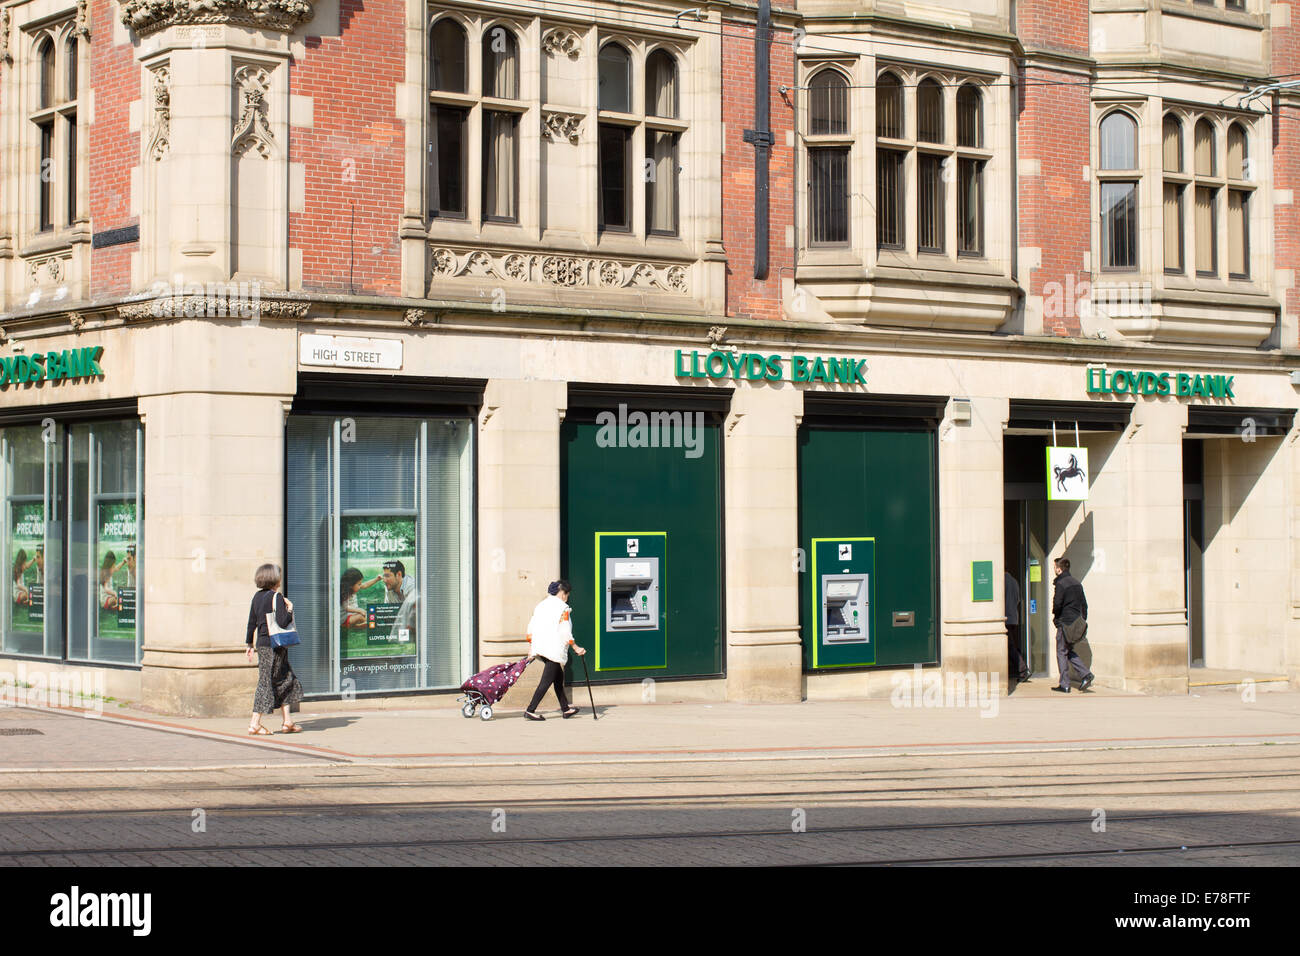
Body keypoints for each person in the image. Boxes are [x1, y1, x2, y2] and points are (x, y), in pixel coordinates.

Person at [244, 563, 305, 734]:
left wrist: (249, 644)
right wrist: (290, 609)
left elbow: (251, 623)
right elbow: (283, 621)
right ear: (274, 579)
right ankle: (254, 723)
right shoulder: (276, 597)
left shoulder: (257, 597)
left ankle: (288, 721)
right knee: (267, 682)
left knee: (285, 679)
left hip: (263, 645)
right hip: (275, 646)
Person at [523, 580, 587, 720]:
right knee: (546, 682)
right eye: (567, 594)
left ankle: (566, 709)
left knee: (558, 679)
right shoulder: (562, 608)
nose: (567, 597)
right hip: (553, 649)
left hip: (540, 647)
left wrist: (531, 647)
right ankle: (530, 710)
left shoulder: (541, 605)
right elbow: (565, 630)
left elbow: (531, 626)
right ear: (563, 593)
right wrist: (576, 647)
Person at [1051, 557, 1094, 694]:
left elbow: (1057, 604)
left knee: (1061, 652)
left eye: (1054, 567)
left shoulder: (1061, 583)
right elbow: (1084, 605)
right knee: (1067, 650)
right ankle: (1086, 675)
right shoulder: (1077, 583)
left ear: (1059, 569)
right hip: (1075, 622)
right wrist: (1082, 620)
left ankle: (1065, 684)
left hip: (1065, 623)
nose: (1054, 570)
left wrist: (1057, 619)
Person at [1005, 571, 1030, 682]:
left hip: (1005, 618)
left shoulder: (1001, 581)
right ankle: (1021, 670)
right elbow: (1018, 600)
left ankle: (1023, 670)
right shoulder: (1014, 581)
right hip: (1013, 618)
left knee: (1010, 646)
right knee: (1010, 645)